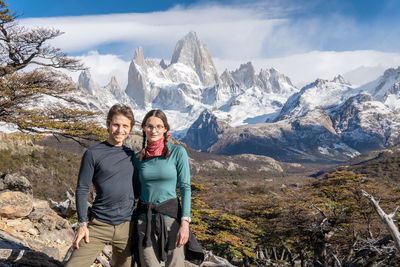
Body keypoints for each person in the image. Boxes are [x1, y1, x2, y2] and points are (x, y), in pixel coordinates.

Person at [66, 104, 136, 267]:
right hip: (98, 224)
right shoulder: (93, 153)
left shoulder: (131, 155)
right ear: (108, 124)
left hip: (126, 226)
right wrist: (82, 224)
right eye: (116, 124)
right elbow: (82, 189)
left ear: (130, 129)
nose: (120, 130)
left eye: (125, 126)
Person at [133, 109, 203, 267]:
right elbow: (134, 191)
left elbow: (185, 187)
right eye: (150, 126)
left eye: (159, 126)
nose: (154, 130)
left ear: (165, 129)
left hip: (172, 221)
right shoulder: (138, 158)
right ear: (144, 128)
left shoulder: (178, 152)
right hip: (144, 221)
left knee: (175, 264)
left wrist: (185, 223)